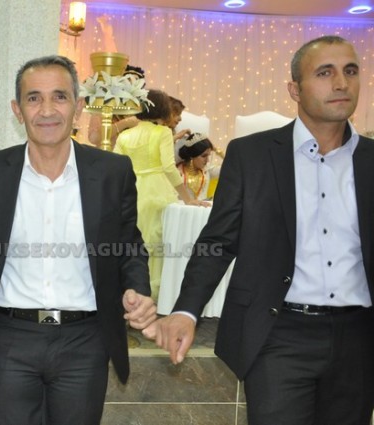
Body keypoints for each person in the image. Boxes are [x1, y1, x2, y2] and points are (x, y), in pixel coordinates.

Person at [143, 35, 374, 425]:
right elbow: (219, 241)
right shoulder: (252, 154)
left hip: (359, 338)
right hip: (278, 332)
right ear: (295, 89)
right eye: (325, 73)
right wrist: (186, 310)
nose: (341, 83)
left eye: (350, 71)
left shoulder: (370, 160)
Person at [0, 55, 157, 425]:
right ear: (17, 110)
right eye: (34, 98)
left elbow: (129, 244)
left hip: (85, 340)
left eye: (59, 97)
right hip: (9, 338)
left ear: (78, 107)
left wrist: (137, 289)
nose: (47, 110)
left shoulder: (111, 171)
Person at [113, 89, 209, 300]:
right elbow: (168, 167)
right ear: (164, 108)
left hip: (130, 191)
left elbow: (116, 168)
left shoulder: (125, 136)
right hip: (156, 191)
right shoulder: (163, 133)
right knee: (156, 247)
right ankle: (152, 297)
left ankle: (130, 293)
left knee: (132, 245)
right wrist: (188, 198)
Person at [175, 132, 221, 201]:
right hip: (181, 207)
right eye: (204, 156)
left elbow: (229, 168)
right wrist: (175, 137)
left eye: (208, 155)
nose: (207, 160)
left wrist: (218, 151)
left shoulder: (207, 171)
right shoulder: (177, 172)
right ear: (192, 156)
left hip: (202, 207)